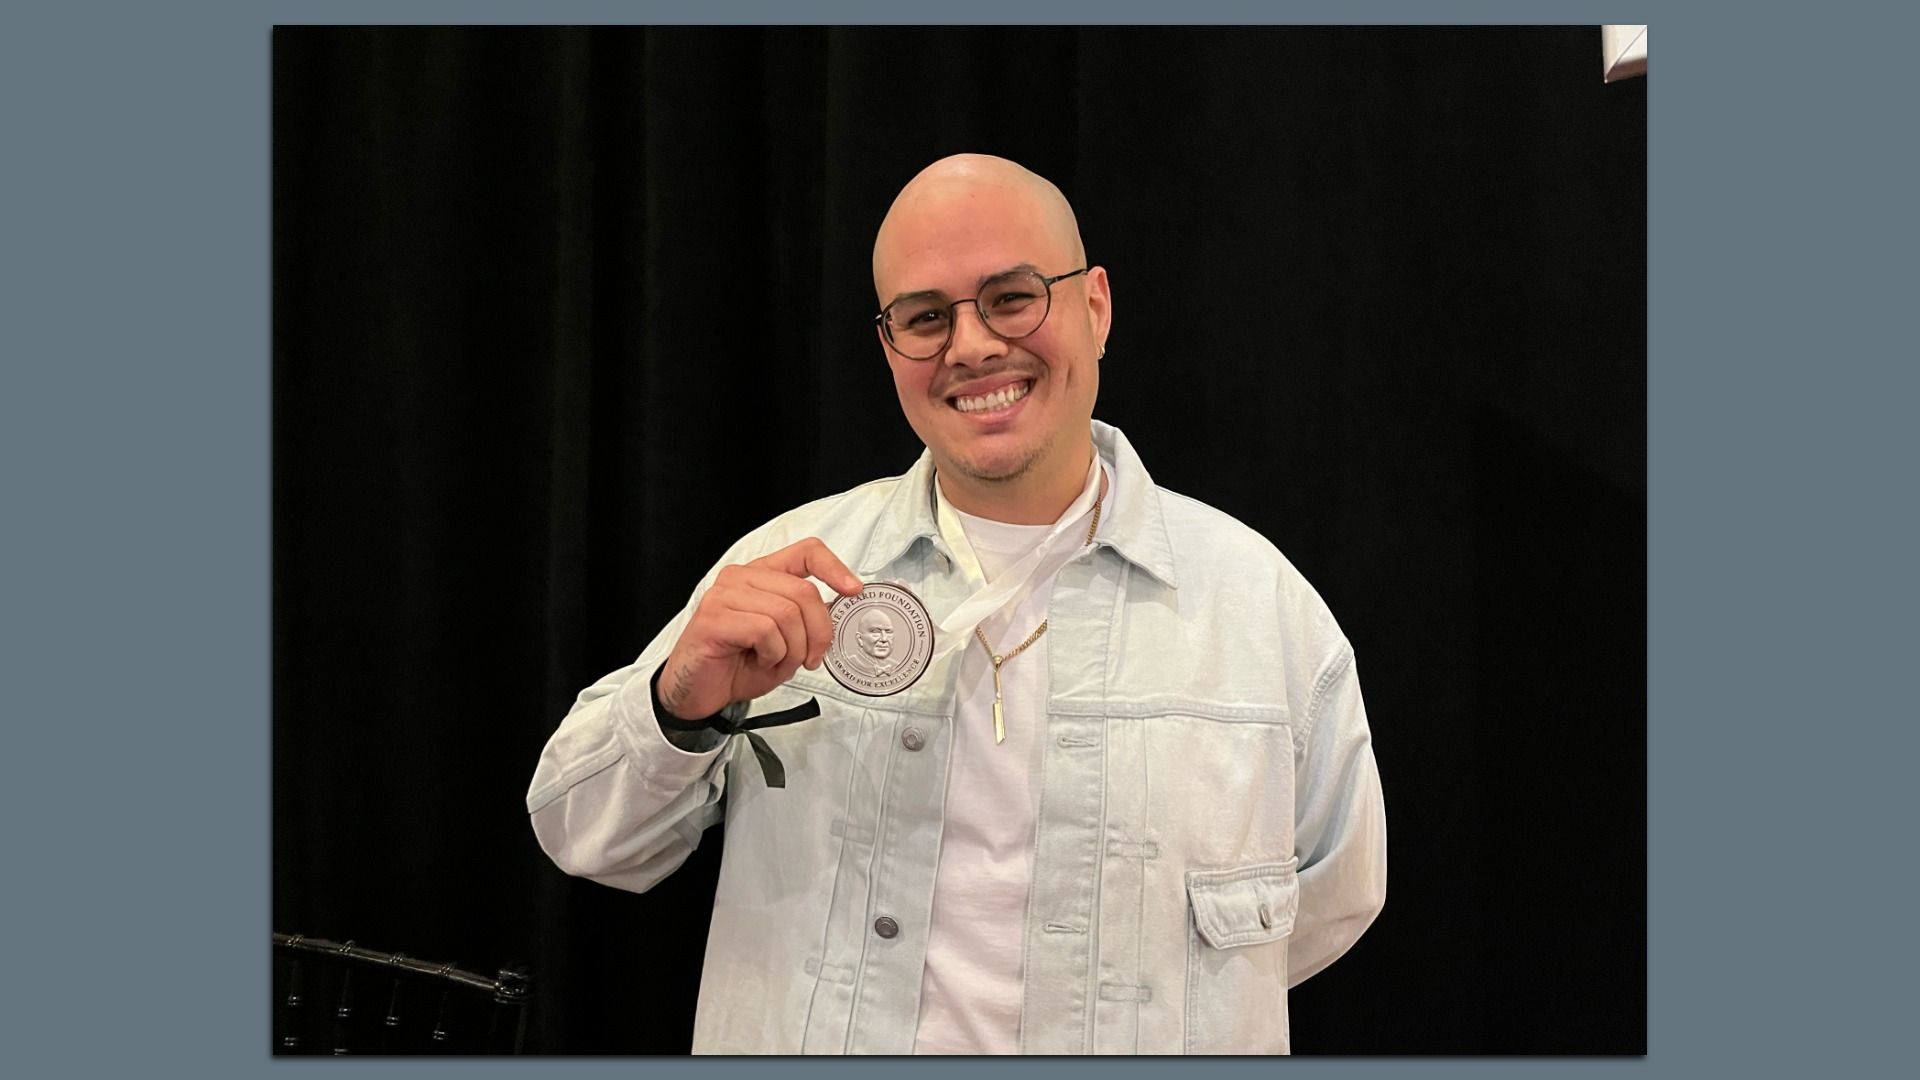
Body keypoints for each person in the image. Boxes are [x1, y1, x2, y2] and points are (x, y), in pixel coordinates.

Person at [526, 153, 1386, 1055]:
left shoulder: (1258, 609)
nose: (970, 346)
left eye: (1012, 298)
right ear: (889, 345)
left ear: (1095, 308)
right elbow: (586, 837)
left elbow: (1332, 901)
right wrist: (680, 703)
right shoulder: (785, 570)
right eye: (926, 317)